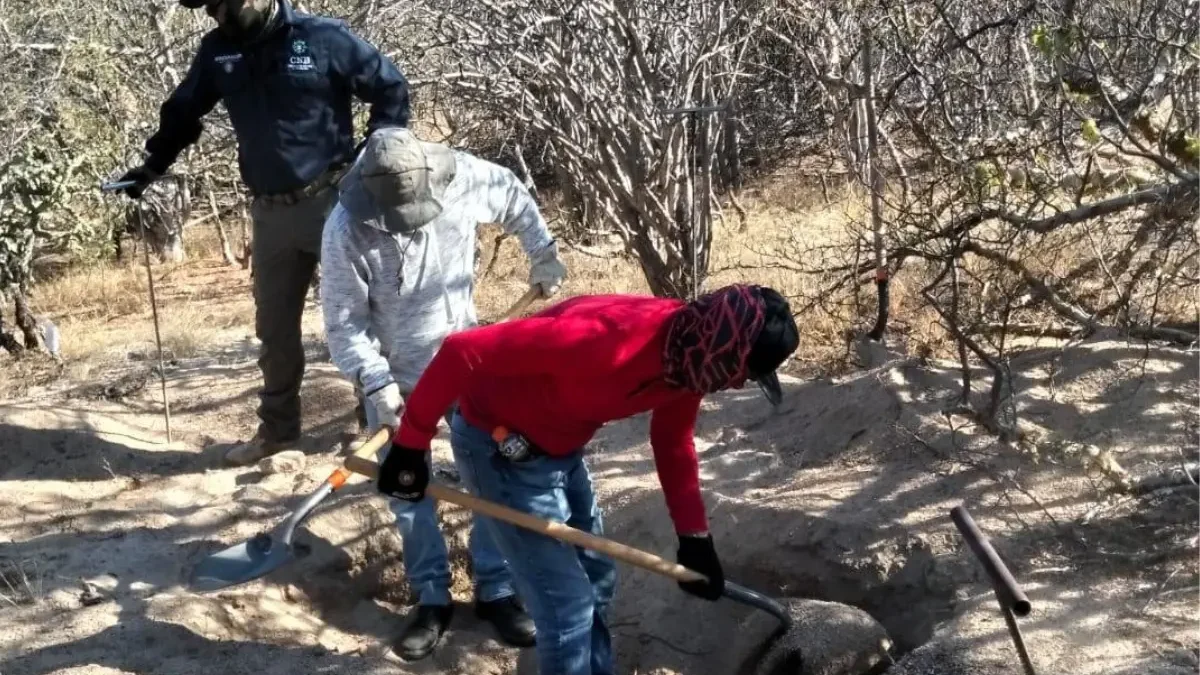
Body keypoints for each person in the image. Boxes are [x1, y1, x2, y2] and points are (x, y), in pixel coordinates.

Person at [376, 283, 800, 674]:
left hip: (559, 447)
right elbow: (461, 351)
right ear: (725, 348)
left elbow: (672, 439)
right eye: (745, 371)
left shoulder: (691, 358)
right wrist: (411, 443)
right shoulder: (604, 340)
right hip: (497, 448)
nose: (741, 382)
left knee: (597, 577)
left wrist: (695, 538)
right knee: (567, 608)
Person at [114, 0, 412, 465]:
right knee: (274, 329)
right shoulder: (218, 51)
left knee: (362, 317)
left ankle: (374, 421)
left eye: (223, 5)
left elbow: (390, 88)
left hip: (335, 203)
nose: (217, 15)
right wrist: (152, 166)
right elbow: (183, 112)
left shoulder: (321, 37)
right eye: (209, 8)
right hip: (269, 213)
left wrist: (374, 158)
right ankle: (278, 433)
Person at [319, 127, 569, 660]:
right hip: (396, 377)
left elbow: (513, 197)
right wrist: (377, 382)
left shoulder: (464, 177)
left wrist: (542, 251)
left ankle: (496, 591)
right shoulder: (346, 228)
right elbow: (343, 325)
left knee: (488, 479)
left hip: (468, 365)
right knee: (408, 492)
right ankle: (432, 598)